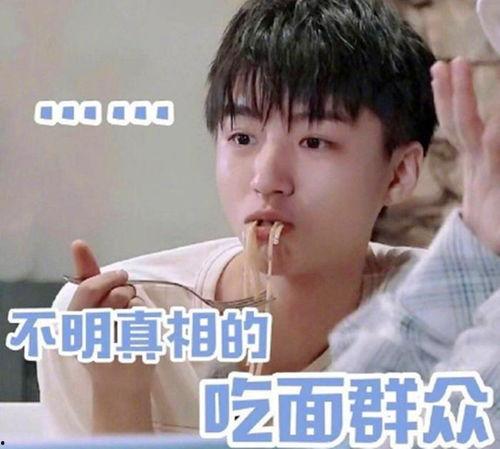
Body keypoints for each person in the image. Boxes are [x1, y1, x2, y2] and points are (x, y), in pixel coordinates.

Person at [37, 0, 500, 443]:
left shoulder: (460, 317)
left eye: (314, 142)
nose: (266, 179)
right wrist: (118, 393)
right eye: (242, 137)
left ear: (398, 174)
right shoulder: (119, 320)